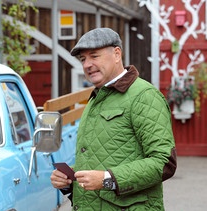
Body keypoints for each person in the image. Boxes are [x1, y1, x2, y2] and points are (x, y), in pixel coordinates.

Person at [50, 27, 177, 210]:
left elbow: (164, 162)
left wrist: (107, 179)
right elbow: (104, 156)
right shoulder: (97, 97)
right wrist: (69, 179)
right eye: (83, 59)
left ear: (117, 54)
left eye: (94, 56)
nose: (87, 65)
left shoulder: (144, 96)